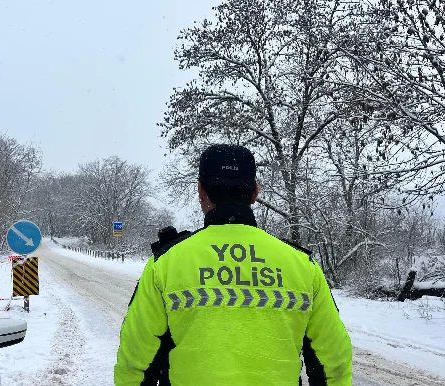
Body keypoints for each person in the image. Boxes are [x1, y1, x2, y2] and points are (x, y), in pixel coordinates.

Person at [114, 144, 352, 386]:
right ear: (255, 193)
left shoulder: (165, 263)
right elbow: (334, 362)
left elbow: (135, 362)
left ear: (201, 191)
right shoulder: (302, 265)